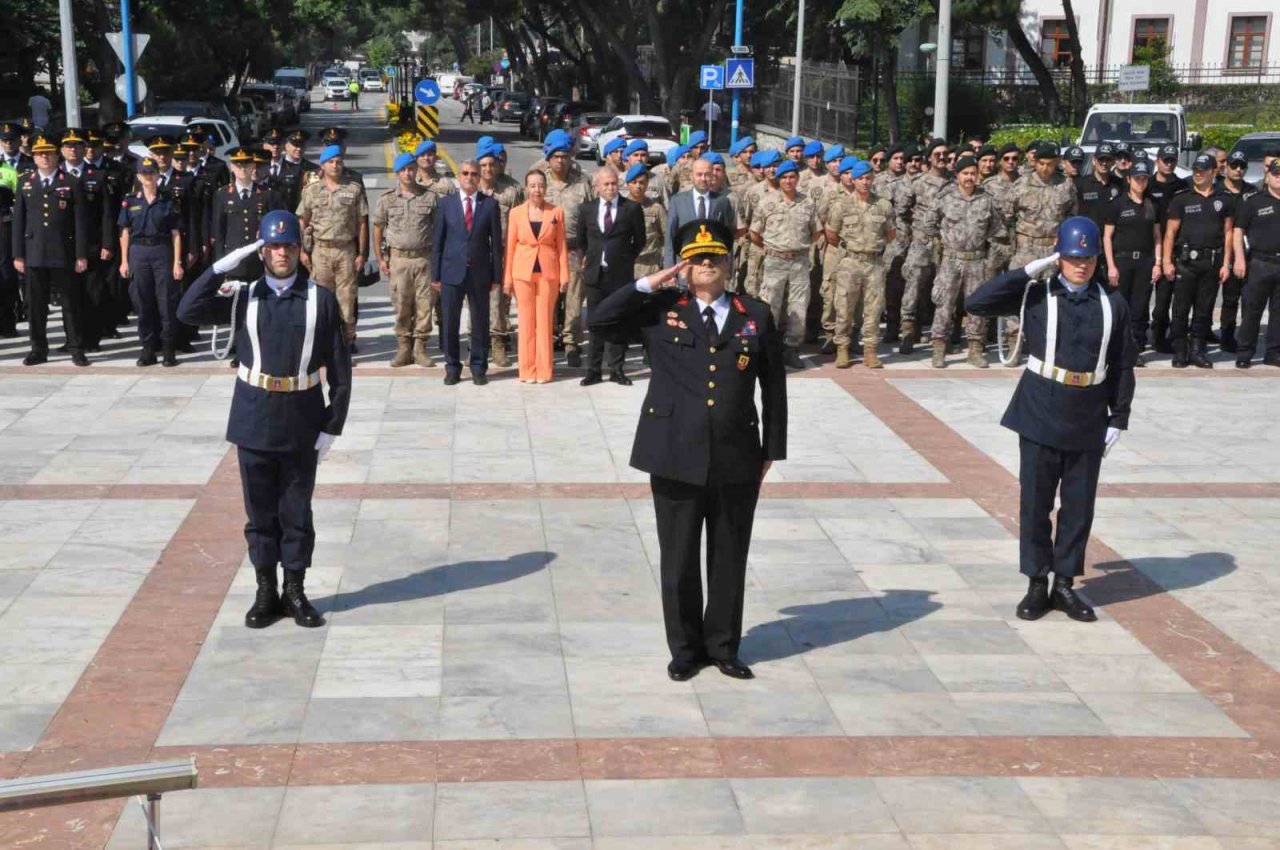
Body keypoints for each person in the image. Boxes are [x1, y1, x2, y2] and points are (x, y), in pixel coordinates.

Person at [588, 219, 787, 681]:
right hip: (674, 452)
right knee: (678, 559)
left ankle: (723, 647)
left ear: (729, 263)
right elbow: (598, 320)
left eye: (714, 256)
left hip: (736, 453)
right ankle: (684, 650)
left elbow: (774, 387)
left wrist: (770, 450)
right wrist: (647, 284)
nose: (707, 264)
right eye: (697, 258)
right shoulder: (661, 309)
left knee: (729, 556)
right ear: (682, 266)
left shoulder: (754, 314)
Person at [178, 211, 351, 629]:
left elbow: (340, 370)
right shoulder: (243, 296)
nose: (281, 253)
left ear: (299, 249)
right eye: (273, 246)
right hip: (254, 417)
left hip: (301, 418)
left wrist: (332, 425)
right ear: (262, 250)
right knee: (260, 515)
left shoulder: (321, 300)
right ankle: (265, 591)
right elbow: (187, 310)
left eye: (288, 246)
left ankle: (295, 591)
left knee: (296, 512)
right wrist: (220, 267)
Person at [965, 217, 1137, 624]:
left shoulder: (1112, 302)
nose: (1082, 266)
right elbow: (977, 303)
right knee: (1036, 503)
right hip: (1041, 408)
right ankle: (1037, 582)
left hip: (1088, 411)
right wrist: (1027, 270)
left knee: (1078, 506)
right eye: (1074, 258)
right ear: (1060, 257)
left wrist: (1119, 417)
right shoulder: (1037, 294)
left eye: (1088, 259)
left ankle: (1064, 583)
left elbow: (1122, 363)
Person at [12, 133, 89, 366]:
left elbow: (80, 222)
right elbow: (19, 221)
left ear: (57, 156)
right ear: (34, 157)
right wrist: (18, 254)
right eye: (39, 154)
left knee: (70, 304)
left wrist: (81, 254)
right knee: (36, 305)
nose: (44, 157)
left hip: (63, 252)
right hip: (34, 252)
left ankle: (76, 348)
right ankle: (38, 349)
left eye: (48, 153)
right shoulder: (25, 182)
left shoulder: (71, 182)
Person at [430, 159, 503, 385]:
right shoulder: (445, 204)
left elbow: (496, 244)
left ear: (479, 177)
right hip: (451, 272)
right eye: (465, 173)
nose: (469, 177)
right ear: (458, 176)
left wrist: (496, 275)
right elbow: (438, 241)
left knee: (480, 322)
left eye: (474, 174)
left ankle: (479, 367)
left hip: (480, 273)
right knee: (450, 322)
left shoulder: (489, 205)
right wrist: (435, 274)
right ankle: (452, 367)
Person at [925, 153, 1001, 369]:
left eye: (973, 173)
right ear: (957, 175)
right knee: (944, 304)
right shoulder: (945, 198)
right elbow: (929, 223)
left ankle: (975, 350)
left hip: (976, 261)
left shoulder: (986, 200)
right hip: (951, 259)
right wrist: (942, 242)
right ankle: (938, 349)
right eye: (965, 173)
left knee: (976, 305)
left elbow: (996, 228)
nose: (969, 177)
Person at [1162, 153, 1235, 369]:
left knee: (1204, 310)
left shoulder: (1224, 199)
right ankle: (1180, 350)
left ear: (1213, 172)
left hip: (1211, 262)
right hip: (1186, 263)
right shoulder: (1182, 198)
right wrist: (1166, 261)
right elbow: (1170, 233)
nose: (1198, 174)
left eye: (1203, 171)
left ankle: (1197, 350)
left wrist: (1226, 263)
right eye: (1195, 170)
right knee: (1180, 309)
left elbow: (1229, 233)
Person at [576, 165, 646, 386]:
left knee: (619, 322)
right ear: (597, 186)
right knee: (595, 323)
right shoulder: (587, 209)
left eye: (614, 183)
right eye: (606, 184)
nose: (610, 188)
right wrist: (590, 258)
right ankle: (593, 370)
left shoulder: (631, 208)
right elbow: (582, 240)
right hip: (595, 275)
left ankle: (616, 369)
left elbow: (640, 240)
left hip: (620, 275)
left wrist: (624, 258)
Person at [824, 157, 894, 369]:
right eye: (860, 178)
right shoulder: (841, 205)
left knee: (873, 309)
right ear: (852, 180)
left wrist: (872, 247)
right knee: (844, 307)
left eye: (868, 178)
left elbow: (890, 234)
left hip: (874, 263)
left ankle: (870, 351)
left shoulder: (883, 205)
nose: (865, 182)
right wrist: (851, 248)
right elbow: (831, 234)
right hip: (850, 262)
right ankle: (842, 349)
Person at [750, 160, 819, 369]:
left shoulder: (808, 203)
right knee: (770, 305)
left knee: (798, 306)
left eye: (792, 177)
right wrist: (771, 248)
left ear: (797, 178)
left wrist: (799, 246)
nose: (788, 181)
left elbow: (816, 232)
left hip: (799, 261)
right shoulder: (767, 203)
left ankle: (791, 348)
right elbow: (754, 233)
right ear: (779, 180)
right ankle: (768, 347)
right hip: (774, 260)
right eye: (784, 177)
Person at [297, 145, 368, 349]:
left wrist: (362, 253)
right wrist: (303, 250)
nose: (335, 165)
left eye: (338, 162)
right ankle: (323, 345)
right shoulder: (312, 190)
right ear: (323, 165)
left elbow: (362, 223)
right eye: (331, 162)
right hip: (320, 251)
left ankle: (345, 343)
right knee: (321, 299)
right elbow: (302, 220)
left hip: (346, 250)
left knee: (347, 300)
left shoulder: (354, 189)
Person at [504, 169, 570, 383]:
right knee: (526, 322)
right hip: (522, 273)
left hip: (548, 274)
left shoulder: (556, 212)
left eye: (541, 185)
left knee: (544, 322)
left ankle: (544, 370)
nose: (537, 190)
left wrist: (564, 275)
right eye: (532, 185)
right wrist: (507, 279)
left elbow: (561, 246)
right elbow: (510, 248)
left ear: (546, 187)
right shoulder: (516, 213)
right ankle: (527, 370)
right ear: (526, 188)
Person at [374, 152, 439, 368]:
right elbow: (378, 228)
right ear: (397, 173)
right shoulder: (387, 199)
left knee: (424, 305)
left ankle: (420, 347)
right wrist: (381, 259)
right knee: (401, 305)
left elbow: (439, 228)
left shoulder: (429, 197)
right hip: (399, 260)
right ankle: (403, 347)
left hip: (424, 259)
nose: (407, 173)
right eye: (403, 170)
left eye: (411, 169)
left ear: (416, 170)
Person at [119, 156, 184, 366]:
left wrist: (177, 262)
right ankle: (148, 350)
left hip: (162, 251)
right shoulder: (131, 200)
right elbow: (125, 232)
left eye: (152, 173)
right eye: (144, 173)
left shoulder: (168, 200)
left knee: (166, 302)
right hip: (138, 252)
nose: (148, 176)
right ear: (138, 176)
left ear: (158, 175)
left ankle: (168, 350)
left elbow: (176, 233)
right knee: (142, 303)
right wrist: (124, 261)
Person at [540, 130, 594, 366]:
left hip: (574, 249)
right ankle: (550, 338)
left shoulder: (583, 183)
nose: (560, 161)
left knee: (573, 299)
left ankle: (571, 343)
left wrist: (589, 251)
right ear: (548, 158)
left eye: (564, 156)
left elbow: (592, 217)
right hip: (547, 250)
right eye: (556, 156)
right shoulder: (540, 182)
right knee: (549, 297)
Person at [59, 129, 114, 353]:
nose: (73, 150)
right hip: (63, 246)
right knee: (68, 296)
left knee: (93, 293)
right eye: (68, 146)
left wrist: (107, 243)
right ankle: (72, 339)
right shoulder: (56, 176)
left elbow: (107, 213)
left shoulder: (98, 176)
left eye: (77, 145)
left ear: (84, 148)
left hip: (92, 244)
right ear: (62, 150)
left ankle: (92, 338)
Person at [1102, 159, 1161, 368]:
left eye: (1144, 178)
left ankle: (1133, 350)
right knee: (1119, 308)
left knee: (1139, 309)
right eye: (1137, 178)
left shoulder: (1152, 204)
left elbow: (1157, 236)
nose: (1141, 182)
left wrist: (1157, 263)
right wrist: (1111, 266)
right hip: (1122, 261)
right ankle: (1114, 350)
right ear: (1129, 179)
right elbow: (1107, 237)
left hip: (1144, 262)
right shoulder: (1118, 204)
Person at [898, 139, 953, 353]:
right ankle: (907, 332)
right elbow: (901, 211)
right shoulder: (918, 182)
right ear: (929, 158)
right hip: (921, 243)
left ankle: (941, 335)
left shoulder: (954, 182)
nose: (942, 157)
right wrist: (912, 233)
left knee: (945, 289)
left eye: (945, 154)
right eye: (937, 154)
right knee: (913, 287)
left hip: (946, 244)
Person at [478, 142, 525, 368]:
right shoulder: (471, 188)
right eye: (483, 165)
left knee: (499, 301)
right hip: (477, 253)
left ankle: (498, 343)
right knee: (477, 301)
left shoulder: (510, 190)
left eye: (492, 164)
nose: (488, 169)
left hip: (503, 251)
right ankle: (478, 345)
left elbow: (521, 219)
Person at [1231, 160, 1280, 368]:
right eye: (1276, 174)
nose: (1279, 178)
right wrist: (1239, 258)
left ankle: (1274, 353)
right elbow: (1238, 231)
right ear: (1267, 176)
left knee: (1278, 313)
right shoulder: (1254, 201)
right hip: (1259, 262)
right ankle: (1244, 353)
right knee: (1252, 310)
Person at [1215, 149, 1259, 352]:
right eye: (1234, 165)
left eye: (1242, 166)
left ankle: (1242, 336)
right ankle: (1223, 333)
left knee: (1248, 298)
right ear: (1226, 167)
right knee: (1227, 298)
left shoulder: (1252, 192)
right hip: (1222, 250)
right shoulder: (1216, 190)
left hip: (1248, 250)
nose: (1238, 169)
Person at [664, 154, 737, 267]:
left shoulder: (722, 202)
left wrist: (727, 269)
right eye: (699, 174)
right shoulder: (677, 201)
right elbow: (670, 237)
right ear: (691, 176)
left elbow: (728, 238)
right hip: (685, 265)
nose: (703, 178)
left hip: (713, 267)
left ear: (712, 176)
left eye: (707, 174)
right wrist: (669, 269)